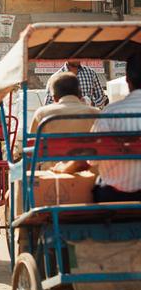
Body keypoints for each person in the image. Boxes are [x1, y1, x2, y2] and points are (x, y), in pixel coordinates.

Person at [59, 53, 141, 202]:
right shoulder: (103, 112)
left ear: (127, 80)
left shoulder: (111, 113)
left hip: (115, 196)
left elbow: (87, 159)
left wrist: (62, 170)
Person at [31, 72, 100, 138]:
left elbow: (32, 143)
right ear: (80, 95)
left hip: (54, 150)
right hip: (86, 150)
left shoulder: (42, 114)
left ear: (55, 98)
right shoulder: (96, 113)